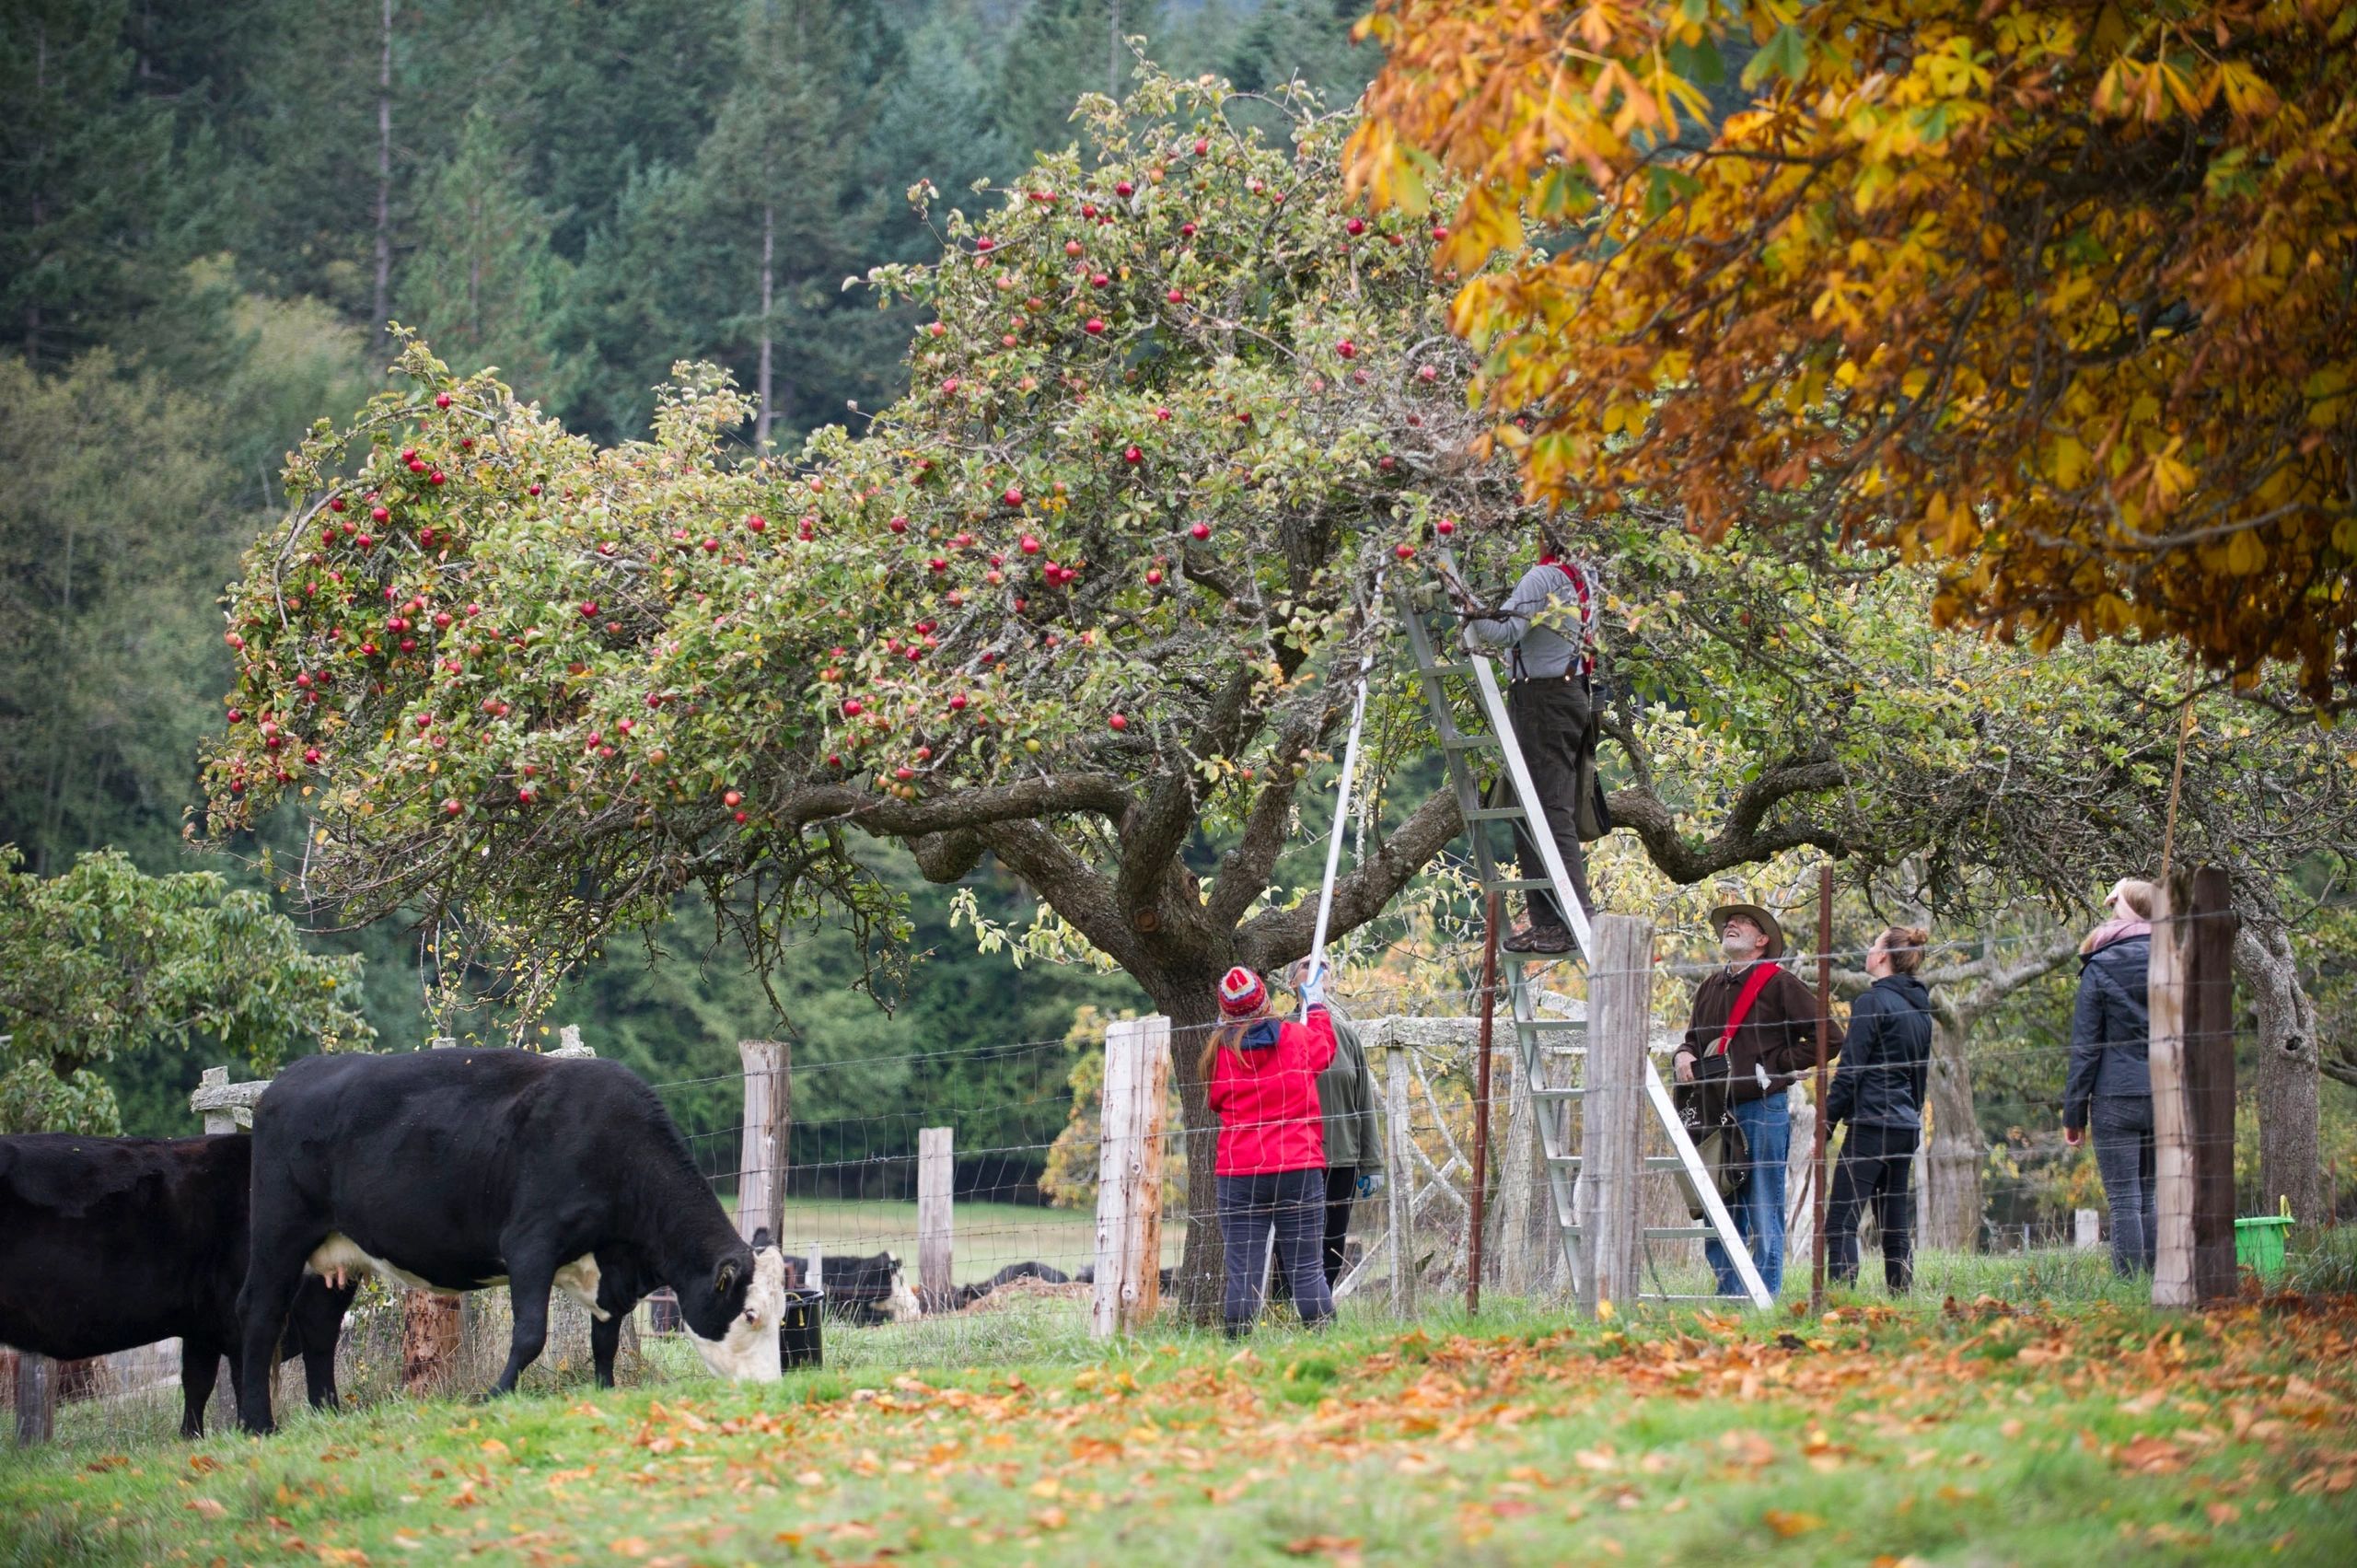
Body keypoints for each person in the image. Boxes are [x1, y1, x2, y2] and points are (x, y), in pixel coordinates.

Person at [1673, 901, 1843, 1296]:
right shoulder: (1710, 986)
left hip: (1761, 1109)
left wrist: (1775, 1068)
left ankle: (1764, 1296)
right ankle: (1729, 1296)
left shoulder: (1779, 983)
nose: (1731, 925)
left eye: (1743, 923)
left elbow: (1831, 1038)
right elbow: (1694, 1040)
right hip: (1716, 1110)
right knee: (1720, 1206)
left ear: (1762, 941)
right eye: (1729, 923)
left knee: (1764, 1204)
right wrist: (1683, 1053)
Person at [1459, 534, 1599, 954]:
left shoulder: (1543, 578)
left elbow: (1499, 632)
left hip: (1544, 698)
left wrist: (1459, 595)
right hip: (1566, 693)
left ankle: (1571, 920)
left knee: (1548, 813)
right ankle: (1551, 921)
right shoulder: (1584, 576)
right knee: (1539, 810)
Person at [1203, 963, 1339, 1336]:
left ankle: (1237, 1350)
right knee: (1307, 1269)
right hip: (1297, 1165)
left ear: (1225, 1013)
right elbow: (1324, 1049)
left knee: (1243, 1273)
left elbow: (1216, 1100)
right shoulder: (1297, 1038)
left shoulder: (1221, 1053)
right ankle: (1325, 1342)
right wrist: (1317, 1004)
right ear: (1265, 1002)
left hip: (1240, 1172)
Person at [1823, 926, 1934, 1293]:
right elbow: (1920, 1075)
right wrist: (1911, 1116)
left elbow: (1849, 1071)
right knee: (1894, 1223)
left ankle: (1841, 1300)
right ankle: (1902, 1297)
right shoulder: (1921, 1010)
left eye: (1873, 944)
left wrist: (1825, 1124)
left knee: (1840, 1220)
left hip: (1871, 1126)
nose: (1868, 950)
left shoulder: (1871, 1003)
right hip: (1903, 1125)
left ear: (1884, 956)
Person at [2062, 878, 2157, 1276]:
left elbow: (2086, 1049)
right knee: (2150, 1197)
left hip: (2115, 1096)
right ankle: (2156, 1282)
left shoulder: (2099, 966)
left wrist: (2073, 1115)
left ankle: (2129, 1284)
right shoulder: (2177, 958)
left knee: (2124, 1200)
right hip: (2165, 1094)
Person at [1286, 958, 1382, 1292]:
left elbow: (1364, 1104)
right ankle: (1283, 1309)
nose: (1315, 970)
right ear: (1291, 983)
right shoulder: (1281, 1033)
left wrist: (1372, 1163)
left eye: (1323, 966)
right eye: (1305, 965)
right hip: (1293, 1160)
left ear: (1331, 982)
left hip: (1341, 1158)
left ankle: (1320, 1310)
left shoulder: (1348, 1038)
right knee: (1293, 1241)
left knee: (1332, 1242)